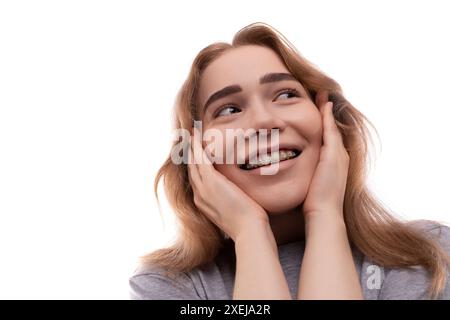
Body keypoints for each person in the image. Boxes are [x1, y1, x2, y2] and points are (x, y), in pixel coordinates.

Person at [129, 22, 450, 300]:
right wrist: (250, 232)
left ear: (328, 119)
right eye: (228, 110)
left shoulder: (427, 255)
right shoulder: (170, 286)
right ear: (196, 152)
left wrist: (325, 216)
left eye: (285, 95)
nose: (264, 121)